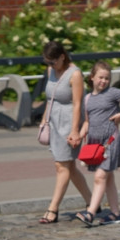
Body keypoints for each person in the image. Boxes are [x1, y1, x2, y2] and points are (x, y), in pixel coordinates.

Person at [74, 61, 120, 226]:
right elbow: (87, 123)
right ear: (92, 78)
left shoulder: (113, 93)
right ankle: (115, 213)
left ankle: (90, 213)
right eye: (100, 78)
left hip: (110, 141)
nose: (103, 81)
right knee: (108, 178)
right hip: (95, 144)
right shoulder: (87, 99)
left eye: (107, 78)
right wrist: (79, 136)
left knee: (100, 176)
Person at [38, 41, 93, 224]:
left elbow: (78, 104)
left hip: (69, 123)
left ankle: (52, 209)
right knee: (69, 167)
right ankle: (92, 203)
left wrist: (75, 130)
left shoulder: (75, 74)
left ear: (62, 57)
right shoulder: (51, 71)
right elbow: (49, 98)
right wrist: (44, 120)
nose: (50, 65)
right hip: (54, 121)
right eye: (47, 62)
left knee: (61, 166)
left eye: (52, 62)